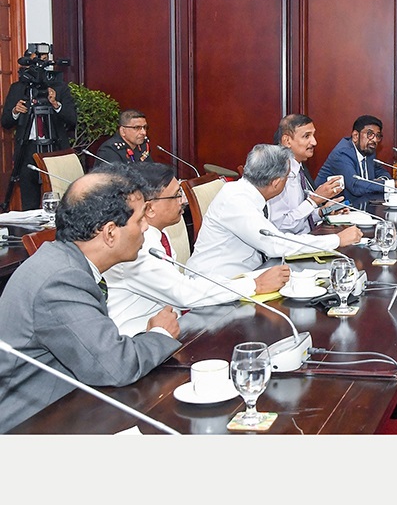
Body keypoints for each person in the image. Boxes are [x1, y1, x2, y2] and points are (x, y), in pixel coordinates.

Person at [0, 165, 181, 434]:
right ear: (109, 232)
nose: (146, 226)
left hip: (71, 404)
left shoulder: (64, 261)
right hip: (33, 424)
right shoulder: (60, 280)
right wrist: (159, 334)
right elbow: (115, 366)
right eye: (140, 219)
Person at [104, 163, 291, 336]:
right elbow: (183, 292)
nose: (182, 201)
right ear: (150, 208)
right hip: (139, 341)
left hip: (173, 327)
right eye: (176, 195)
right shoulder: (135, 247)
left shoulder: (158, 234)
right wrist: (255, 285)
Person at [187, 144, 362, 278]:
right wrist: (336, 240)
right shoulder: (236, 201)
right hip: (216, 284)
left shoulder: (253, 192)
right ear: (277, 182)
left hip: (249, 275)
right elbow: (275, 244)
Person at [1, 48, 77, 210]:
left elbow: (72, 119)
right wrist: (15, 111)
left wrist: (56, 104)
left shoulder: (60, 88)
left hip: (55, 150)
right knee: (30, 202)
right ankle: (31, 235)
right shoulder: (18, 88)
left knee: (61, 201)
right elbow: (6, 122)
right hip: (28, 149)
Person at [314, 114, 397, 209]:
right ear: (355, 136)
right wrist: (396, 184)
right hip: (330, 211)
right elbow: (356, 186)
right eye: (370, 134)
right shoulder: (342, 154)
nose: (375, 140)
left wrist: (379, 181)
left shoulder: (368, 152)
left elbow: (382, 172)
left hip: (359, 208)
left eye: (378, 136)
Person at [268, 114, 346, 234]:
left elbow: (298, 219)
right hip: (289, 248)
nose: (314, 142)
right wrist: (314, 200)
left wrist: (322, 212)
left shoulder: (299, 168)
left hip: (306, 239)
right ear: (287, 141)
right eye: (306, 136)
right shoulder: (278, 173)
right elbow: (281, 226)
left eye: (313, 135)